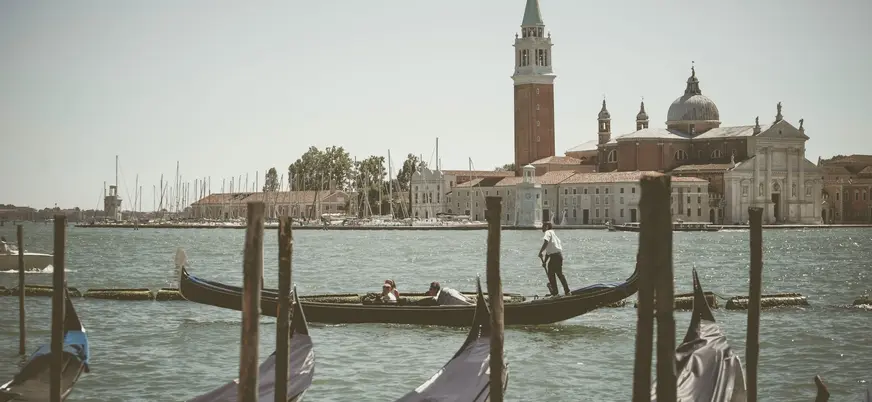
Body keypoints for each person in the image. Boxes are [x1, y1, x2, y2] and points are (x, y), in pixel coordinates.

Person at [538, 222, 571, 296]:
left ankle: (556, 293)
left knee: (551, 274)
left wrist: (540, 252)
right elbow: (549, 251)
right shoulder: (553, 234)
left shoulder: (548, 232)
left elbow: (546, 242)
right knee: (559, 274)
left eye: (543, 226)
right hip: (558, 256)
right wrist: (545, 262)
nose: (542, 228)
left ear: (546, 226)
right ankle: (567, 291)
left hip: (555, 257)